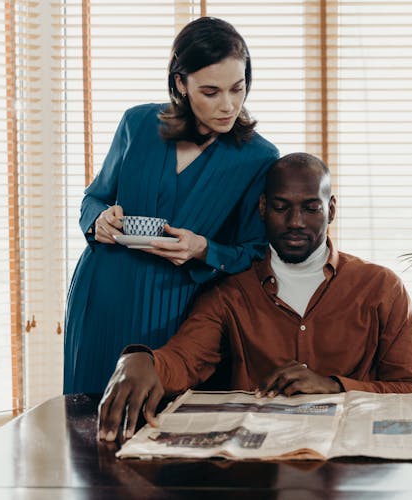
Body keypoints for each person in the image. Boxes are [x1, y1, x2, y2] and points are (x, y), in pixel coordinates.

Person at [98, 152, 412, 441]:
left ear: (331, 209)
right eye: (281, 207)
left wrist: (335, 386)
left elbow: (411, 390)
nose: (296, 222)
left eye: (311, 208)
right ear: (263, 208)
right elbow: (185, 358)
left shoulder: (382, 287)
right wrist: (142, 360)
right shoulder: (229, 291)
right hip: (256, 468)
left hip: (354, 462)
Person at [63, 17, 279, 394]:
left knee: (166, 427)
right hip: (102, 294)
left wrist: (204, 249)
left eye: (238, 88)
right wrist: (99, 218)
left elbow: (256, 252)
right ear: (181, 83)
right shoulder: (137, 123)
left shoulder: (258, 157)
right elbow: (94, 196)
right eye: (210, 92)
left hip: (177, 308)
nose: (228, 105)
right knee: (87, 424)